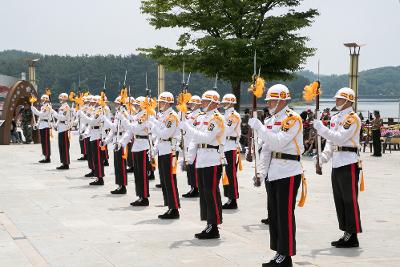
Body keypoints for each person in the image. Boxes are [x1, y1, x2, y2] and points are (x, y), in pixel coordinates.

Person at [249, 84, 304, 267]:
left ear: (281, 100)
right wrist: (260, 172)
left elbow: (279, 143)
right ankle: (278, 252)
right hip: (273, 172)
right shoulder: (270, 121)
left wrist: (259, 128)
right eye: (268, 100)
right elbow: (265, 150)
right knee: (274, 214)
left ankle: (286, 255)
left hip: (288, 171)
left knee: (285, 214)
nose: (269, 103)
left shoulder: (292, 119)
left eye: (271, 99)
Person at [313, 87, 363, 248]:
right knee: (339, 200)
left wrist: (321, 128)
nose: (337, 101)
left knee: (349, 200)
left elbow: (340, 138)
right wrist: (323, 158)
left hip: (349, 161)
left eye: (340, 99)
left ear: (349, 101)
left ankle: (353, 234)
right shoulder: (335, 118)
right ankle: (346, 232)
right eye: (336, 99)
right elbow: (331, 142)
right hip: (337, 162)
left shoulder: (352, 118)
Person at [180, 90, 224, 239]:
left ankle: (214, 225)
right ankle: (208, 223)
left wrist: (188, 127)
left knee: (211, 193)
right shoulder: (201, 117)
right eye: (203, 101)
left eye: (206, 101)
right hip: (201, 158)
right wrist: (189, 159)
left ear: (214, 103)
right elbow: (194, 141)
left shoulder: (217, 119)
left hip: (212, 158)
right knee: (204, 194)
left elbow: (206, 137)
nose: (203, 103)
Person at [149, 92, 181, 219]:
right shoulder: (163, 116)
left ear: (168, 103)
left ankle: (174, 208)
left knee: (170, 180)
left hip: (170, 150)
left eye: (162, 102)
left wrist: (154, 123)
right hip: (163, 149)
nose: (160, 104)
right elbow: (159, 134)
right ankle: (169, 205)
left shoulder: (172, 117)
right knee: (164, 179)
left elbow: (165, 134)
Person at [118, 96, 151, 207]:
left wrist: (123, 118)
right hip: (137, 144)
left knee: (142, 173)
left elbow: (135, 128)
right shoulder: (138, 115)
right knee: (137, 173)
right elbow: (130, 132)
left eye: (138, 104)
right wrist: (122, 142)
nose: (136, 106)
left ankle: (144, 197)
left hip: (143, 146)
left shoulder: (146, 114)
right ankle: (140, 196)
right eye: (135, 105)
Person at [102, 95, 129, 194]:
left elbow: (117, 128)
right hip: (116, 140)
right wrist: (106, 141)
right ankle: (119, 185)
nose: (116, 105)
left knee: (121, 165)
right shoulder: (118, 113)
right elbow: (113, 131)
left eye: (118, 103)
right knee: (117, 165)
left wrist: (105, 119)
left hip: (121, 141)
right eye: (116, 103)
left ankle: (123, 186)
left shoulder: (124, 114)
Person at [78, 95, 105, 185]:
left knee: (97, 158)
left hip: (97, 135)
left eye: (94, 102)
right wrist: (85, 133)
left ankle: (100, 177)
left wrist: (82, 114)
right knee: (94, 157)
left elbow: (92, 122)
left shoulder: (100, 110)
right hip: (93, 134)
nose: (92, 103)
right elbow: (90, 125)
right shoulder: (94, 110)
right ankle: (97, 175)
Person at [220, 94, 241, 209]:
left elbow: (227, 131)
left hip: (231, 146)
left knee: (231, 174)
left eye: (226, 102)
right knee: (226, 174)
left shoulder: (234, 116)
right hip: (225, 146)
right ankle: (229, 197)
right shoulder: (225, 115)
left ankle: (233, 199)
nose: (223, 104)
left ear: (232, 103)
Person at [181, 95, 202, 198]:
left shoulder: (200, 115)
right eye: (190, 103)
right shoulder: (189, 114)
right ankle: (192, 187)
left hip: (194, 144)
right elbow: (182, 121)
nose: (191, 105)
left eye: (193, 103)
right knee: (190, 168)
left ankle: (196, 187)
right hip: (187, 143)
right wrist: (182, 107)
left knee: (194, 168)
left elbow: (192, 128)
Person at [51, 93, 71, 170]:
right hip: (60, 128)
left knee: (65, 147)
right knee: (61, 147)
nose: (60, 100)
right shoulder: (62, 107)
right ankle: (63, 162)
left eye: (61, 98)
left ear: (64, 99)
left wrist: (53, 112)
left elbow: (63, 118)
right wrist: (56, 124)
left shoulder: (66, 107)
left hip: (64, 128)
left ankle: (66, 163)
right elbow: (59, 119)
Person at [31, 94, 52, 163]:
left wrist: (34, 109)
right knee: (43, 142)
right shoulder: (43, 107)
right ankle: (45, 156)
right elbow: (40, 118)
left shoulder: (48, 106)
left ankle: (47, 157)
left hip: (46, 125)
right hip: (42, 125)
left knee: (46, 142)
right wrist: (37, 124)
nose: (42, 100)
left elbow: (42, 114)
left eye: (43, 99)